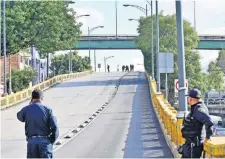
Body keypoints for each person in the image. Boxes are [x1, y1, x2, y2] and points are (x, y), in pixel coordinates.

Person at [17, 89, 59, 158]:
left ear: (32, 99)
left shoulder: (26, 109)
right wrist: (51, 141)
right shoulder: (47, 110)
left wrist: (29, 105)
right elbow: (55, 128)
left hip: (31, 142)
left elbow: (19, 117)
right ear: (41, 98)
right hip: (45, 142)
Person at [179, 88, 214, 158]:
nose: (187, 99)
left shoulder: (198, 109)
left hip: (194, 146)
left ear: (191, 99)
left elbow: (209, 122)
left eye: (188, 97)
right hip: (190, 145)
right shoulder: (196, 108)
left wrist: (207, 137)